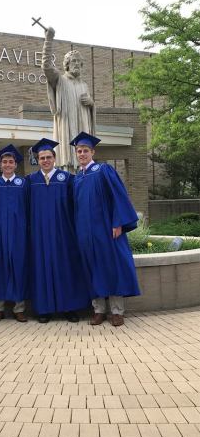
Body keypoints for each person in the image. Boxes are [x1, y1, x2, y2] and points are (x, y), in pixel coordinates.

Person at [71, 131, 141, 327]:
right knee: (92, 269)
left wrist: (118, 222)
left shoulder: (104, 171)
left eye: (85, 150)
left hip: (107, 231)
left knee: (113, 267)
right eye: (79, 151)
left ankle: (117, 312)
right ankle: (99, 310)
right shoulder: (77, 178)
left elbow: (119, 196)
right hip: (85, 233)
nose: (82, 154)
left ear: (93, 151)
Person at [27, 138, 89, 323]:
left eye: (48, 157)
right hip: (39, 236)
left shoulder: (67, 179)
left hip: (63, 233)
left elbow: (77, 206)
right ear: (38, 160)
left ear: (54, 158)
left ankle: (69, 308)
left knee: (65, 268)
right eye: (41, 158)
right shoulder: (30, 181)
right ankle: (44, 310)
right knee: (41, 269)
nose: (45, 160)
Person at [42, 26, 96, 169]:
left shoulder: (84, 85)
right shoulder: (60, 80)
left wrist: (91, 104)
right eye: (73, 61)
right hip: (66, 129)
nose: (77, 64)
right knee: (67, 163)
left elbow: (90, 110)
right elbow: (46, 67)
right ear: (67, 64)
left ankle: (83, 165)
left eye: (79, 62)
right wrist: (48, 40)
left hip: (82, 128)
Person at [0, 144, 29, 323]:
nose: (7, 164)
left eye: (10, 162)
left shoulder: (23, 184)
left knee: (18, 267)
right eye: (4, 162)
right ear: (0, 165)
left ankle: (19, 308)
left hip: (19, 234)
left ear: (15, 164)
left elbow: (29, 209)